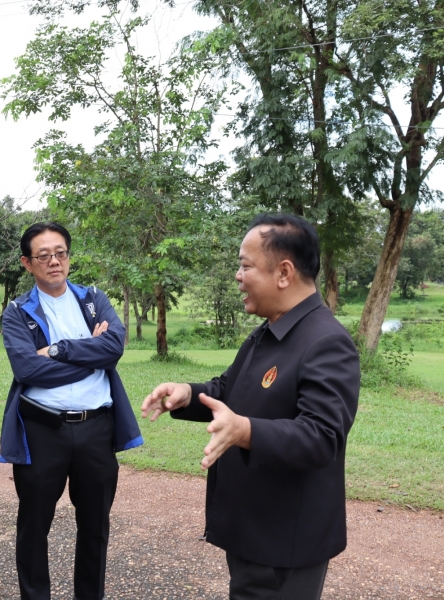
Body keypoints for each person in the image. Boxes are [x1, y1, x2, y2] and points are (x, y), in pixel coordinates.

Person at [141, 213, 360, 600]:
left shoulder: (326, 342)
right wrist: (188, 394)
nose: (238, 276)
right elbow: (231, 388)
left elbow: (321, 435)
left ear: (284, 272)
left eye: (245, 266)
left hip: (283, 545)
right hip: (256, 533)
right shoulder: (271, 331)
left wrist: (245, 430)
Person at [0, 222, 143, 600]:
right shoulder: (18, 312)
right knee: (34, 527)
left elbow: (113, 347)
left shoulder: (93, 299)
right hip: (42, 432)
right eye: (43, 255)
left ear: (68, 256)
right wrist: (90, 358)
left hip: (97, 430)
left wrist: (59, 350)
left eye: (60, 253)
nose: (54, 261)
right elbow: (28, 370)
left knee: (95, 527)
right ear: (27, 263)